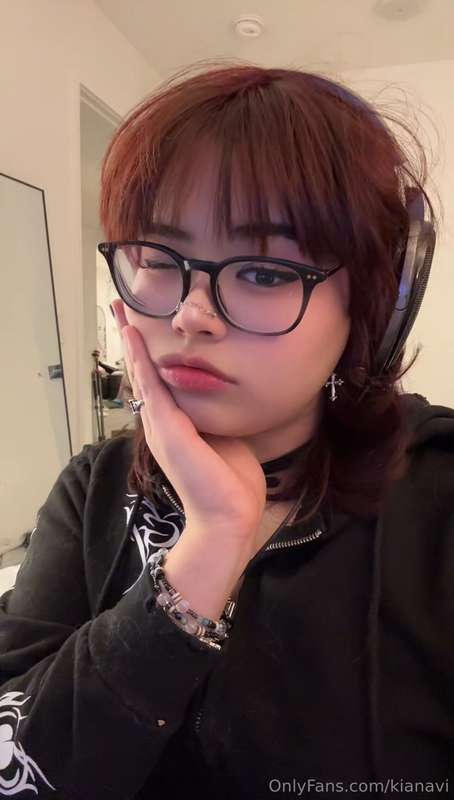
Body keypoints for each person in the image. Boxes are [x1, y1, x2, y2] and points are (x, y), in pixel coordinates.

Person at [0, 63, 453, 800]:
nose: (190, 314)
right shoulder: (93, 490)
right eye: (158, 259)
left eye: (266, 272)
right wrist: (205, 553)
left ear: (373, 308)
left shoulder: (440, 495)